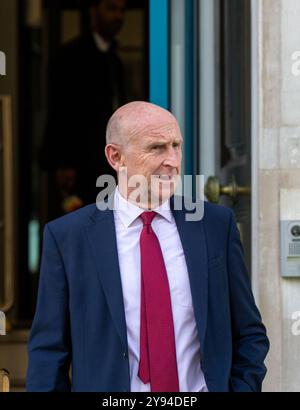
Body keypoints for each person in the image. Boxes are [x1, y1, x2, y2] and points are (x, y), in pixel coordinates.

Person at [27, 102, 269, 392]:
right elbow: (48, 353)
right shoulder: (68, 237)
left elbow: (249, 332)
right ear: (116, 157)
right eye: (156, 148)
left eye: (176, 146)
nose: (172, 160)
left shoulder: (216, 225)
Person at [40, 0, 127, 219]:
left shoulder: (116, 60)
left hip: (110, 164)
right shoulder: (70, 56)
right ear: (94, 11)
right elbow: (60, 112)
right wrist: (63, 162)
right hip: (77, 165)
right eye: (111, 8)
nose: (117, 16)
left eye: (121, 10)